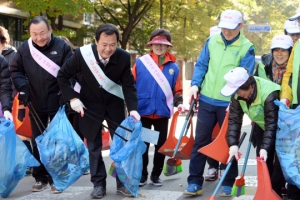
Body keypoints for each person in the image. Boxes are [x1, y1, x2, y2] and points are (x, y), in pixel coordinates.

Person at [57, 23, 140, 199]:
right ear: (96, 41)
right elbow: (62, 76)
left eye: (112, 44)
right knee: (94, 146)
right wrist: (72, 98)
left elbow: (128, 85)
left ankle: (123, 184)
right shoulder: (82, 54)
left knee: (121, 146)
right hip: (89, 105)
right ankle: (98, 184)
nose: (108, 49)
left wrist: (133, 109)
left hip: (114, 105)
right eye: (104, 44)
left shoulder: (124, 57)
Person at [184, 9, 255, 196]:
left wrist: (237, 100)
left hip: (229, 104)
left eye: (231, 28)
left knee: (229, 142)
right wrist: (195, 85)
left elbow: (245, 78)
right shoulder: (211, 41)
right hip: (207, 99)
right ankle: (194, 182)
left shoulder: (246, 47)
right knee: (201, 141)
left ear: (241, 26)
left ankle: (228, 182)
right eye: (223, 28)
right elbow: (201, 65)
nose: (227, 32)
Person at [10, 16, 73, 193]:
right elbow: (16, 70)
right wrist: (23, 89)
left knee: (57, 142)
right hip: (35, 101)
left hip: (58, 101)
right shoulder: (24, 49)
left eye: (42, 33)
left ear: (50, 30)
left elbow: (72, 72)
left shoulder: (63, 47)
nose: (39, 38)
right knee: (38, 140)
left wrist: (66, 96)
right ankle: (40, 177)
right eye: (34, 34)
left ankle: (57, 177)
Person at [131, 28, 184, 187]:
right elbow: (131, 85)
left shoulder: (174, 67)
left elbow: (177, 89)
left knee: (161, 147)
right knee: (144, 146)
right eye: (156, 44)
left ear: (168, 46)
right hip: (144, 111)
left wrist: (179, 103)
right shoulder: (141, 63)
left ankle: (156, 175)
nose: (159, 47)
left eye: (162, 45)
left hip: (162, 113)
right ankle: (143, 175)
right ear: (151, 45)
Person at [221, 67, 280, 190]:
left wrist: (265, 147)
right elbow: (234, 120)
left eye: (237, 91)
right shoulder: (237, 95)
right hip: (261, 125)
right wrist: (233, 145)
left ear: (248, 86)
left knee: (280, 166)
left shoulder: (269, 94)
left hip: (282, 129)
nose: (236, 94)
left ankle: (276, 191)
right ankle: (265, 191)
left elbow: (272, 123)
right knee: (263, 162)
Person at [255, 34, 293, 197]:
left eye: (283, 50)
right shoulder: (263, 66)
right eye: (276, 50)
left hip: (287, 120)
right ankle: (267, 187)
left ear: (290, 52)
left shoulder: (294, 70)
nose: (279, 54)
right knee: (264, 153)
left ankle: (276, 189)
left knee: (282, 157)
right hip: (264, 118)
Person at [0, 25, 33, 176]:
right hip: (6, 99)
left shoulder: (11, 56)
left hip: (10, 99)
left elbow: (10, 81)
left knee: (19, 133)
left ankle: (25, 161)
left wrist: (11, 101)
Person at [280, 10, 300, 200]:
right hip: (296, 108)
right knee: (295, 153)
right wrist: (286, 96)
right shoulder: (298, 46)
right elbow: (289, 75)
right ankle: (294, 191)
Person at [204, 25, 224, 182]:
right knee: (209, 137)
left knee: (223, 137)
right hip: (207, 100)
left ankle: (224, 167)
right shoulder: (207, 52)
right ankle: (212, 166)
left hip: (225, 102)